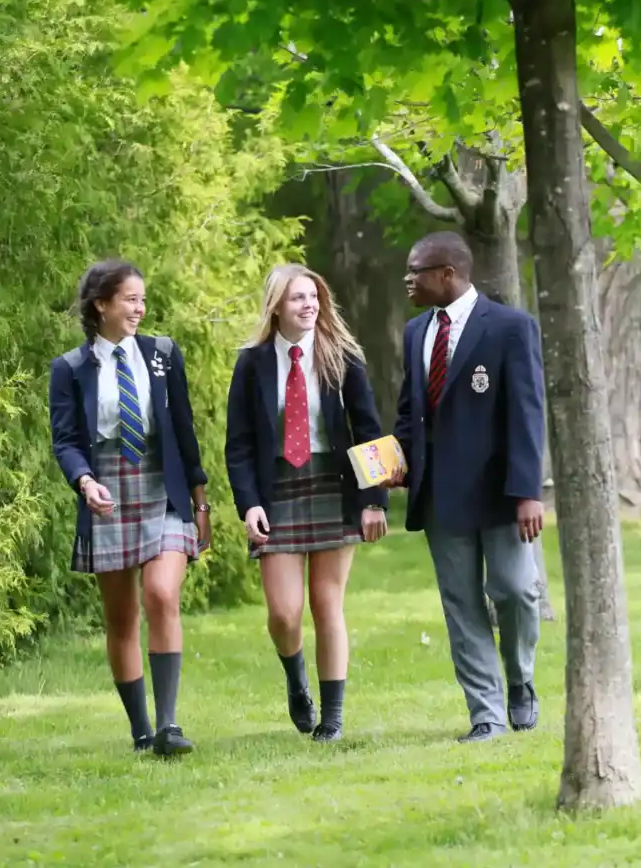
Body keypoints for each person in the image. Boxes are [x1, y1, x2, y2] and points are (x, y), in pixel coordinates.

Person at [386, 231, 546, 743]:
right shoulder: (415, 332)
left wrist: (527, 492)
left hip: (501, 493)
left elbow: (526, 413)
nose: (408, 280)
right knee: (462, 606)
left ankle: (520, 680)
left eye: (417, 271)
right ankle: (488, 715)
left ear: (448, 273)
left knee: (516, 591)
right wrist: (397, 460)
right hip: (440, 496)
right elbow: (411, 412)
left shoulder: (510, 328)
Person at [48, 259, 211, 757]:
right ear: (102, 304)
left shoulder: (162, 354)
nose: (140, 308)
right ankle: (141, 732)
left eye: (143, 299)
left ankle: (169, 725)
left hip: (163, 487)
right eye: (131, 299)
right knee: (121, 617)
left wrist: (201, 501)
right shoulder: (70, 369)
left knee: (162, 594)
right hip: (107, 490)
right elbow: (67, 441)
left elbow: (183, 428)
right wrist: (84, 481)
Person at [224, 265, 389, 743]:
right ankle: (296, 679)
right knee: (284, 613)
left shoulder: (343, 356)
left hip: (334, 487)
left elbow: (369, 430)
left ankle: (332, 717)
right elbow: (238, 445)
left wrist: (373, 501)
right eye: (298, 298)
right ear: (277, 305)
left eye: (314, 297)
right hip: (276, 491)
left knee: (326, 602)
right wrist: (248, 504)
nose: (309, 305)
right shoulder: (252, 362)